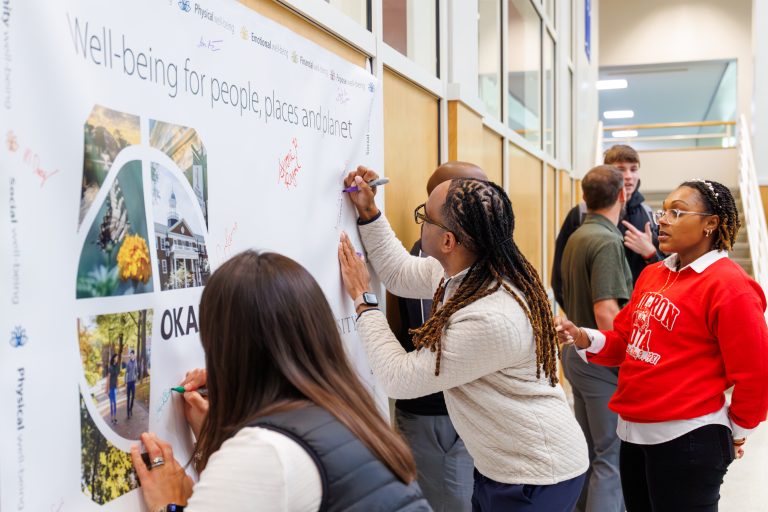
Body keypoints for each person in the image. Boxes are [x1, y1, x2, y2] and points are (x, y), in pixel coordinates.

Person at [338, 167, 588, 511]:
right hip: (505, 466)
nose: (421, 222)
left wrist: (364, 300)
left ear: (448, 241)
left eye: (425, 216)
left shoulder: (491, 315)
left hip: (537, 475)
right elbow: (398, 273)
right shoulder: (461, 270)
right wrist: (369, 212)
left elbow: (398, 377)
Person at [129, 251, 429, 512]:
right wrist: (217, 440)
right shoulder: (351, 411)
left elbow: (272, 475)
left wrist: (167, 504)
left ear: (226, 350)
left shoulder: (265, 451)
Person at [556, 179, 768, 511]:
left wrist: (736, 429)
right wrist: (583, 337)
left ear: (711, 223)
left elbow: (755, 373)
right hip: (632, 432)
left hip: (689, 440)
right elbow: (626, 341)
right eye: (664, 210)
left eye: (677, 212)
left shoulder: (730, 286)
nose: (663, 220)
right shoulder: (654, 274)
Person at [393, 161, 486, 511]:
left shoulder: (466, 256)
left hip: (458, 413)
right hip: (435, 418)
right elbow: (432, 346)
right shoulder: (432, 259)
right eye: (480, 192)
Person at [560, 165, 633, 512]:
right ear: (621, 195)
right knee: (610, 455)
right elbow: (606, 311)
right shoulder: (606, 240)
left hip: (576, 356)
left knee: (588, 452)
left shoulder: (578, 235)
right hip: (598, 360)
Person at [552, 144, 662, 310]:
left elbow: (667, 274)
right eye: (621, 169)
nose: (629, 176)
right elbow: (560, 274)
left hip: (639, 320)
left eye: (633, 169)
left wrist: (651, 254)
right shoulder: (580, 214)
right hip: (593, 323)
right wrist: (580, 318)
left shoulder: (648, 215)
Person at [107, 354, 119, 425]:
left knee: (115, 403)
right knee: (112, 403)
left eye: (117, 357)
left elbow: (117, 377)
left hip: (114, 388)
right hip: (111, 388)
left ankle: (114, 418)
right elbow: (108, 379)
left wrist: (118, 387)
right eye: (116, 357)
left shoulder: (116, 367)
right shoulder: (110, 367)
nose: (117, 358)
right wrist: (108, 389)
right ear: (114, 358)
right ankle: (112, 419)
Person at [125, 349, 137, 419]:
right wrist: (125, 382)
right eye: (130, 354)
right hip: (129, 382)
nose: (131, 355)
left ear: (134, 355)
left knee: (133, 397)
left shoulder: (135, 362)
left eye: (132, 354)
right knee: (128, 398)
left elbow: (136, 371)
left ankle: (130, 409)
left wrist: (136, 377)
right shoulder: (128, 363)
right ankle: (128, 413)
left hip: (133, 382)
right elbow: (126, 373)